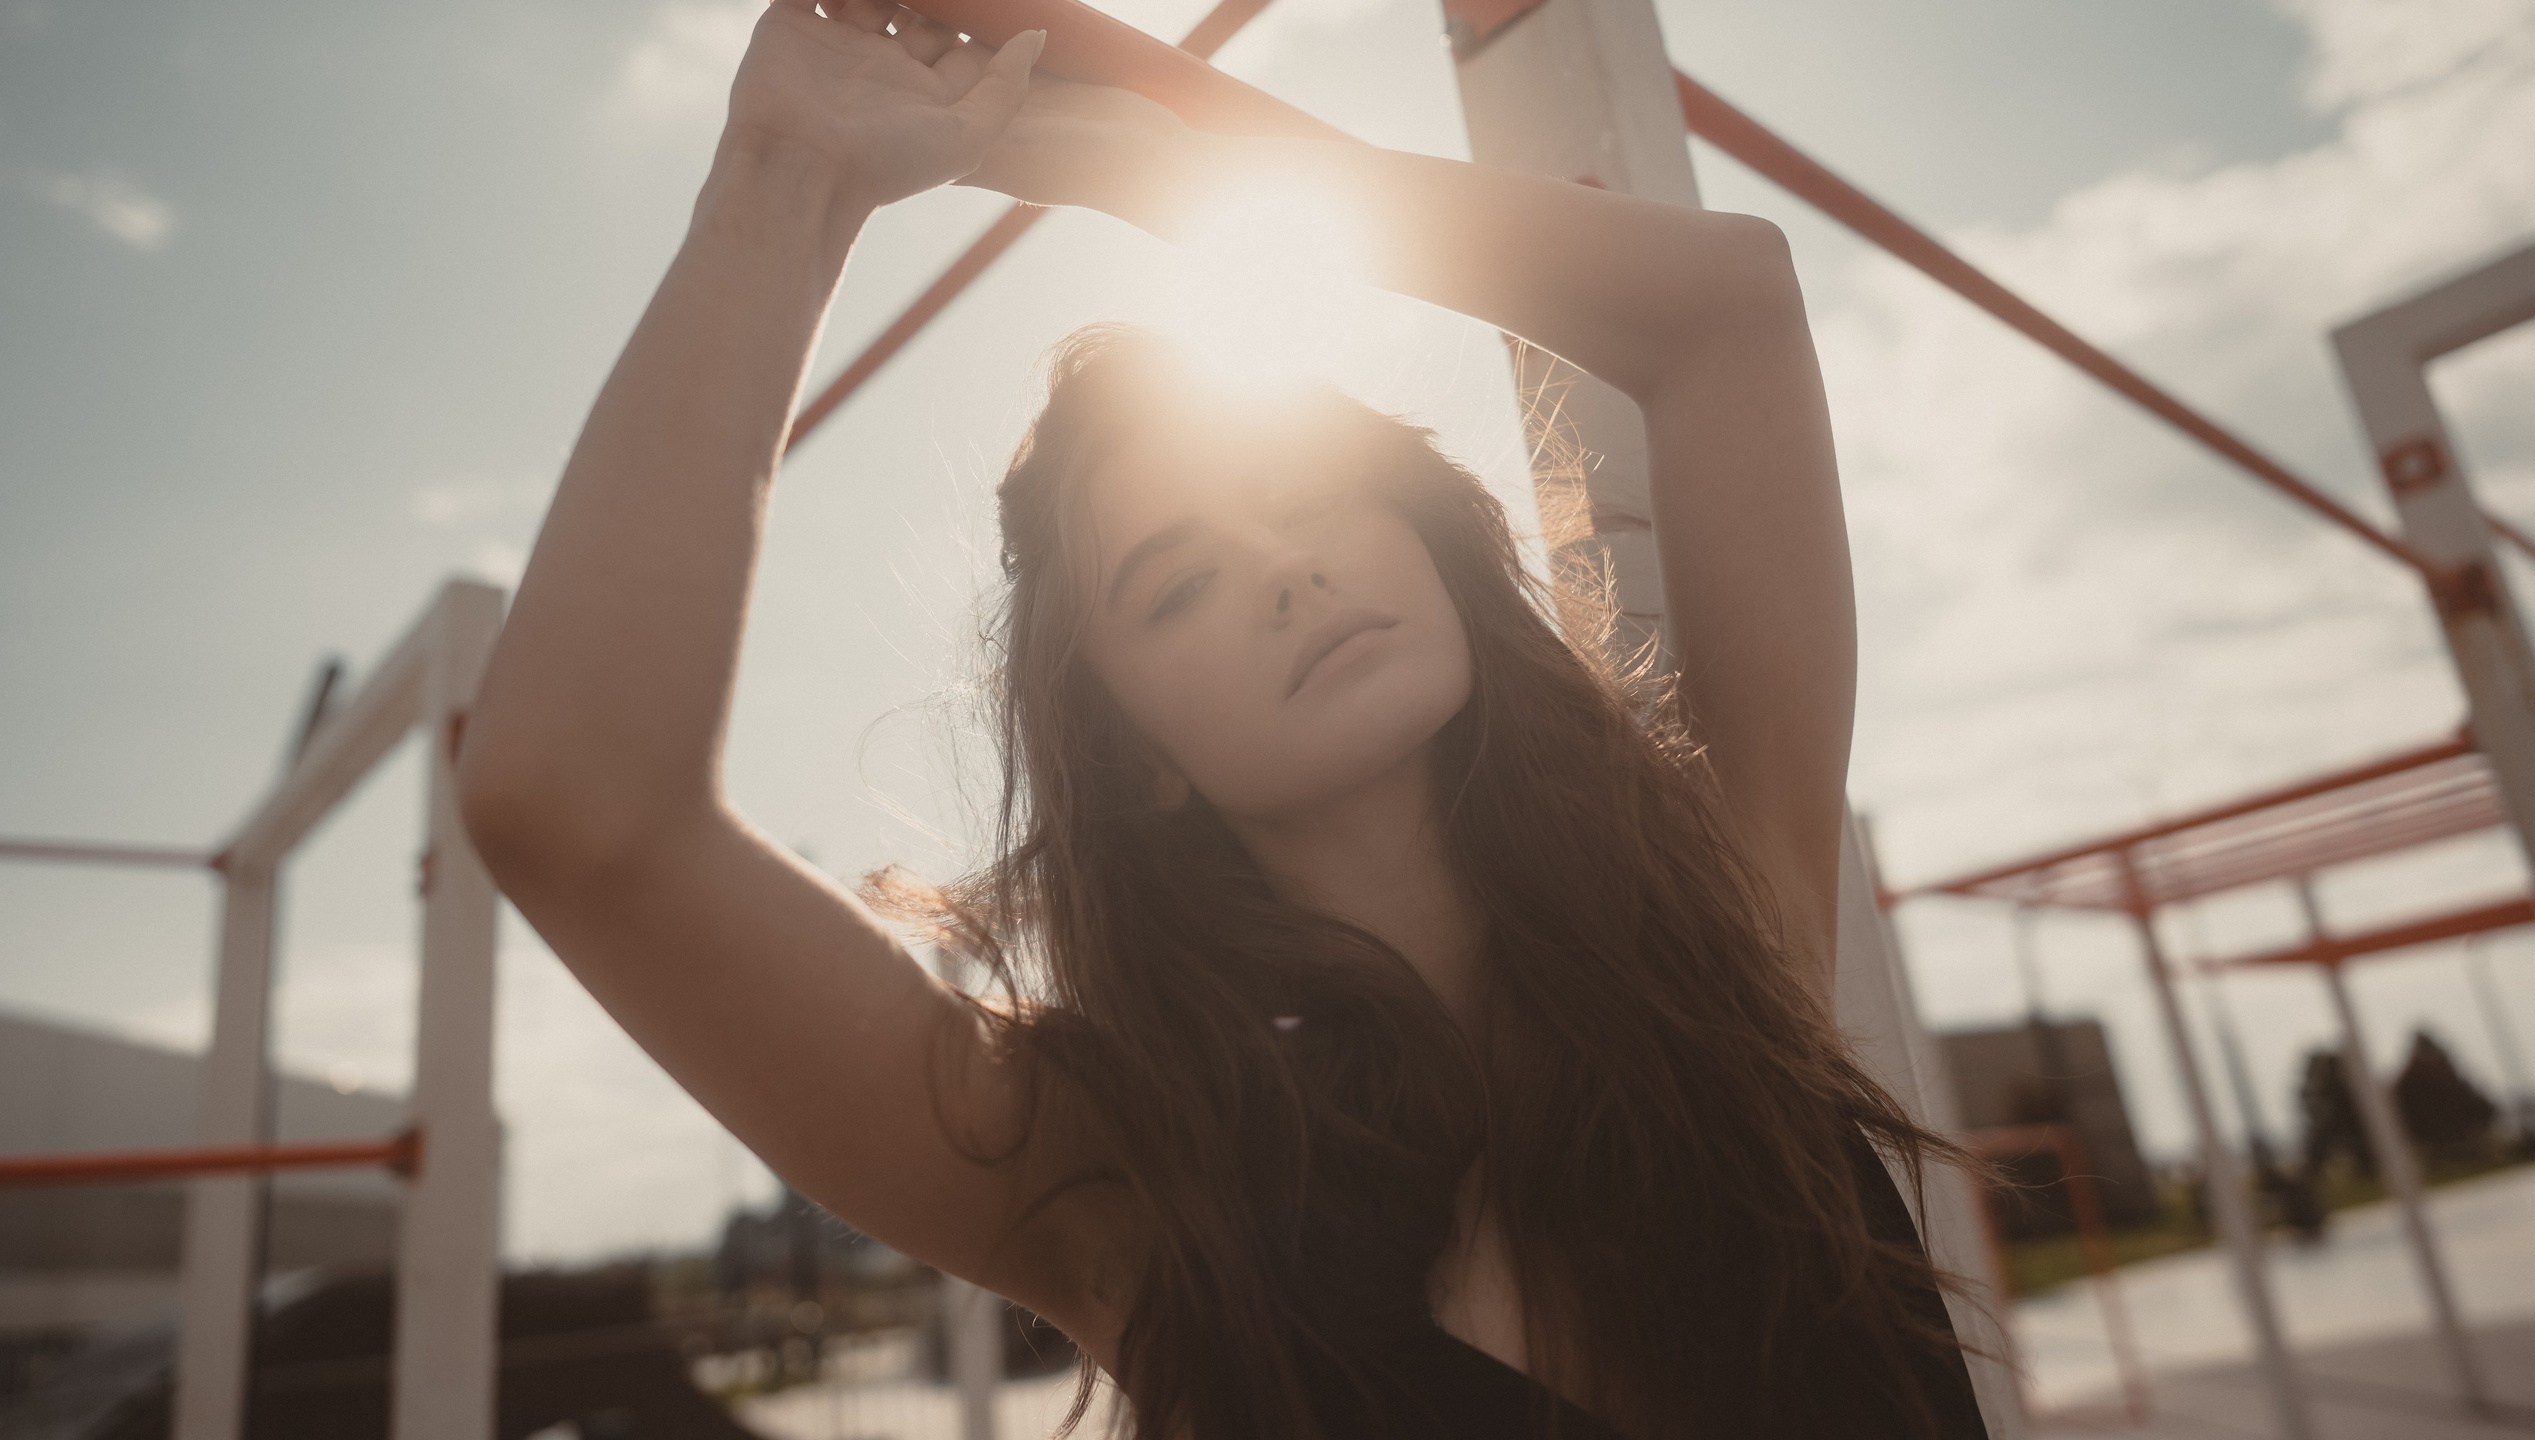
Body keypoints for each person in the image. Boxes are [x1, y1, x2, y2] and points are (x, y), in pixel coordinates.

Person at [457, 3, 1989, 1435]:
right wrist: (787, 172)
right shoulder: (1120, 1182)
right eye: (1178, 585)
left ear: (1425, 540)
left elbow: (1728, 306)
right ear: (1138, 759)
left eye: (1307, 495)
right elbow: (573, 802)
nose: (1282, 568)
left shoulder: (1724, 938)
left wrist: (1170, 162)